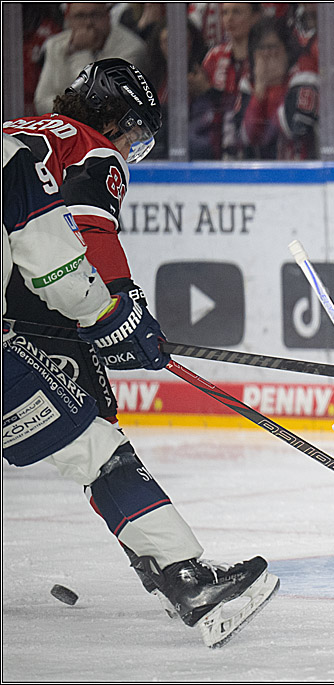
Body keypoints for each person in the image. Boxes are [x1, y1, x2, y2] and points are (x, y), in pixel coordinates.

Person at [2, 59, 278, 646]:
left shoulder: (18, 131)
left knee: (85, 427)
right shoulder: (90, 149)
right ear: (114, 118)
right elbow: (82, 232)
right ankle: (182, 577)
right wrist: (119, 311)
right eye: (138, 135)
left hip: (23, 319)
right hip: (30, 331)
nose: (133, 151)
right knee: (98, 449)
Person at [34, 3, 148, 116]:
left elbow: (99, 106)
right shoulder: (54, 45)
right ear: (68, 19)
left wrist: (81, 51)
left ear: (108, 16)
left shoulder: (132, 48)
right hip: (63, 126)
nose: (88, 23)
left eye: (95, 15)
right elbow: (41, 103)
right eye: (80, 16)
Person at [241, 17, 319, 160]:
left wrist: (273, 87)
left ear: (287, 48)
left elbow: (292, 128)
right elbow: (247, 136)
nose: (266, 54)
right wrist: (259, 91)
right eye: (260, 48)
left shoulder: (305, 73)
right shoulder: (249, 81)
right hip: (260, 173)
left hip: (303, 172)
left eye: (272, 47)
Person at [143, 18, 217, 160]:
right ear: (159, 44)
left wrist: (205, 91)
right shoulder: (152, 76)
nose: (174, 47)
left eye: (181, 40)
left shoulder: (203, 69)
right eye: (167, 41)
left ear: (191, 42)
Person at [200, 2, 262, 159]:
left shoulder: (265, 56)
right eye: (225, 13)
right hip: (216, 148)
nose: (229, 19)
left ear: (255, 17)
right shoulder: (214, 57)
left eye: (237, 12)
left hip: (255, 147)